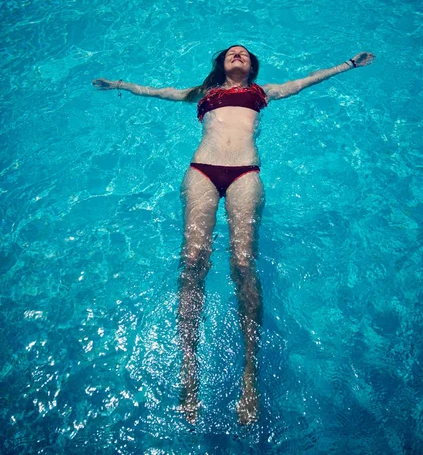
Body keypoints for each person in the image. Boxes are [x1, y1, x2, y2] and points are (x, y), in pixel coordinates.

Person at [92, 45, 375, 425]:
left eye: (244, 54)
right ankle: (188, 372)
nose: (238, 55)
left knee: (243, 264)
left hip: (245, 173)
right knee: (193, 262)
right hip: (202, 171)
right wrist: (119, 85)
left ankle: (249, 376)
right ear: (222, 63)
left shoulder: (263, 91)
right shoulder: (204, 93)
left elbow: (306, 81)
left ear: (252, 66)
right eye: (232, 53)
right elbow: (159, 92)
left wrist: (347, 64)